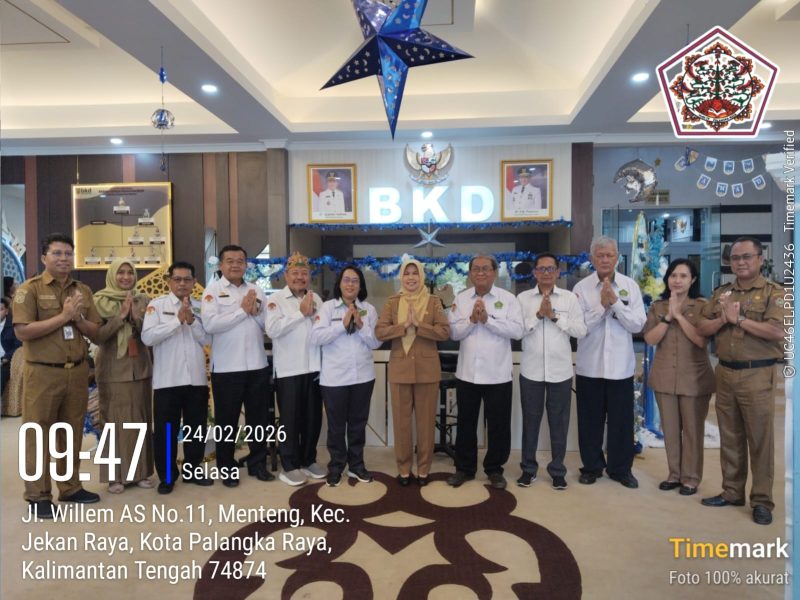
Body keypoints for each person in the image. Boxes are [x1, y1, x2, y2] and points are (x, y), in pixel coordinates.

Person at [13, 233, 106, 518]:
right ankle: (38, 495)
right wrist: (63, 317)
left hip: (76, 372)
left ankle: (70, 487)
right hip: (42, 372)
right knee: (38, 434)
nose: (64, 258)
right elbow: (22, 331)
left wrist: (77, 318)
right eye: (57, 253)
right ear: (44, 258)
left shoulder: (82, 291)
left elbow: (96, 332)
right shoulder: (29, 290)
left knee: (71, 432)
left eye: (68, 253)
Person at [696, 236, 786, 525]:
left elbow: (779, 332)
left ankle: (762, 500)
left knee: (760, 439)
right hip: (725, 372)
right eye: (735, 258)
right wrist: (723, 319)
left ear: (760, 259)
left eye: (747, 256)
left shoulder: (774, 292)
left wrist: (739, 320)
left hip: (757, 373)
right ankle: (732, 491)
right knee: (730, 435)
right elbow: (702, 327)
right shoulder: (723, 292)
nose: (741, 262)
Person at [573, 236, 646, 489]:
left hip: (620, 368)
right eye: (600, 255)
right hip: (589, 367)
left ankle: (620, 469)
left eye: (610, 255)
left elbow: (638, 324)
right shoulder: (581, 288)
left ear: (617, 258)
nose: (605, 259)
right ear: (592, 258)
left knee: (621, 423)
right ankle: (592, 467)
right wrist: (601, 308)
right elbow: (579, 328)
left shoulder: (630, 286)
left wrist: (615, 303)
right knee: (589, 421)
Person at [447, 255, 524, 489]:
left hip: (497, 374)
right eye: (476, 269)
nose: (480, 273)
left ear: (494, 272)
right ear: (470, 273)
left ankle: (494, 469)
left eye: (485, 269)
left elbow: (517, 331)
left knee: (498, 425)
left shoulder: (508, 299)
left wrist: (488, 321)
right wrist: (472, 320)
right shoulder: (461, 299)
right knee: (466, 423)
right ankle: (465, 468)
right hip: (467, 374)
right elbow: (453, 333)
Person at [202, 244, 274, 487]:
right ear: (221, 265)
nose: (235, 265)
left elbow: (267, 324)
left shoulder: (256, 289)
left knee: (258, 420)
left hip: (256, 364)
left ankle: (258, 463)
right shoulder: (213, 291)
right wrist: (242, 312)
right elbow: (210, 325)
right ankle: (227, 467)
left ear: (246, 265)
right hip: (227, 368)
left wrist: (257, 311)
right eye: (230, 261)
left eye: (240, 261)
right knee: (227, 421)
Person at [643, 259, 715, 496]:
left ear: (692, 280)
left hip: (694, 378)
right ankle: (674, 474)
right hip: (665, 376)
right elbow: (650, 339)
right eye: (673, 275)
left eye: (683, 276)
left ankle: (691, 478)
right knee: (670, 430)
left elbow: (701, 340)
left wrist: (680, 317)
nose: (677, 280)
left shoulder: (703, 306)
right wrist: (668, 317)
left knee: (693, 431)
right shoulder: (658, 306)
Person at [376, 257, 450, 486]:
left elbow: (444, 332)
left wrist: (419, 325)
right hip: (400, 368)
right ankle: (404, 469)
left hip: (428, 370)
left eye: (415, 273)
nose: (410, 278)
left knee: (426, 423)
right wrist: (404, 326)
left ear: (421, 276)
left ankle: (424, 469)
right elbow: (380, 332)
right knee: (401, 422)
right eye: (406, 273)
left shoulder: (433, 301)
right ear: (401, 277)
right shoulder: (392, 302)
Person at [516, 253, 586, 490]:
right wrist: (538, 316)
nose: (546, 273)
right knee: (530, 423)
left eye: (550, 269)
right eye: (541, 269)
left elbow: (581, 331)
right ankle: (528, 469)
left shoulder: (569, 298)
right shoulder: (523, 299)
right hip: (531, 371)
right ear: (534, 272)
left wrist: (555, 317)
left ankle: (557, 471)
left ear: (558, 272)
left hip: (561, 372)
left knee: (559, 423)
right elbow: (516, 332)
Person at [141, 261, 212, 495]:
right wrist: (176, 320)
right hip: (168, 380)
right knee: (166, 431)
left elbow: (207, 340)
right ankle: (168, 476)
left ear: (194, 282)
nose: (182, 283)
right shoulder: (157, 305)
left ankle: (193, 470)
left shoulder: (200, 306)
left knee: (196, 429)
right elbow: (148, 337)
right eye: (177, 279)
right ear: (169, 281)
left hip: (196, 380)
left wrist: (191, 321)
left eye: (187, 279)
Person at [310, 265, 380, 487]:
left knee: (358, 424)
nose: (350, 284)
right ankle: (336, 466)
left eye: (355, 280)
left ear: (361, 286)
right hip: (334, 378)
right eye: (346, 280)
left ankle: (357, 465)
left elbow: (376, 342)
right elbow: (316, 337)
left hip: (363, 377)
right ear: (339, 284)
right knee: (336, 426)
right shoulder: (328, 308)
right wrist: (342, 326)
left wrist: (360, 325)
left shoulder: (368, 309)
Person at [93, 258, 155, 493]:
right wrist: (120, 317)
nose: (126, 277)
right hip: (113, 369)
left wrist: (135, 318)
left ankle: (141, 473)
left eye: (130, 272)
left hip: (140, 367)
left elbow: (150, 334)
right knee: (113, 422)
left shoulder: (143, 300)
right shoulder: (99, 301)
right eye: (121, 272)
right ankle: (114, 476)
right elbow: (97, 336)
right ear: (112, 275)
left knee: (140, 420)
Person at [265, 251, 326, 487]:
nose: (300, 277)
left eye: (304, 273)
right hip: (289, 370)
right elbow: (273, 330)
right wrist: (300, 313)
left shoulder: (316, 298)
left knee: (312, 418)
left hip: (314, 368)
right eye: (295, 273)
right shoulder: (276, 300)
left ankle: (308, 459)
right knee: (290, 420)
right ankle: (289, 465)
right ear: (286, 275)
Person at [1, 297, 22, 395]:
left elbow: (18, 346)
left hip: (5, 361)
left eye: (1, 309)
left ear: (6, 311)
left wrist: (6, 357)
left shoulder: (12, 326)